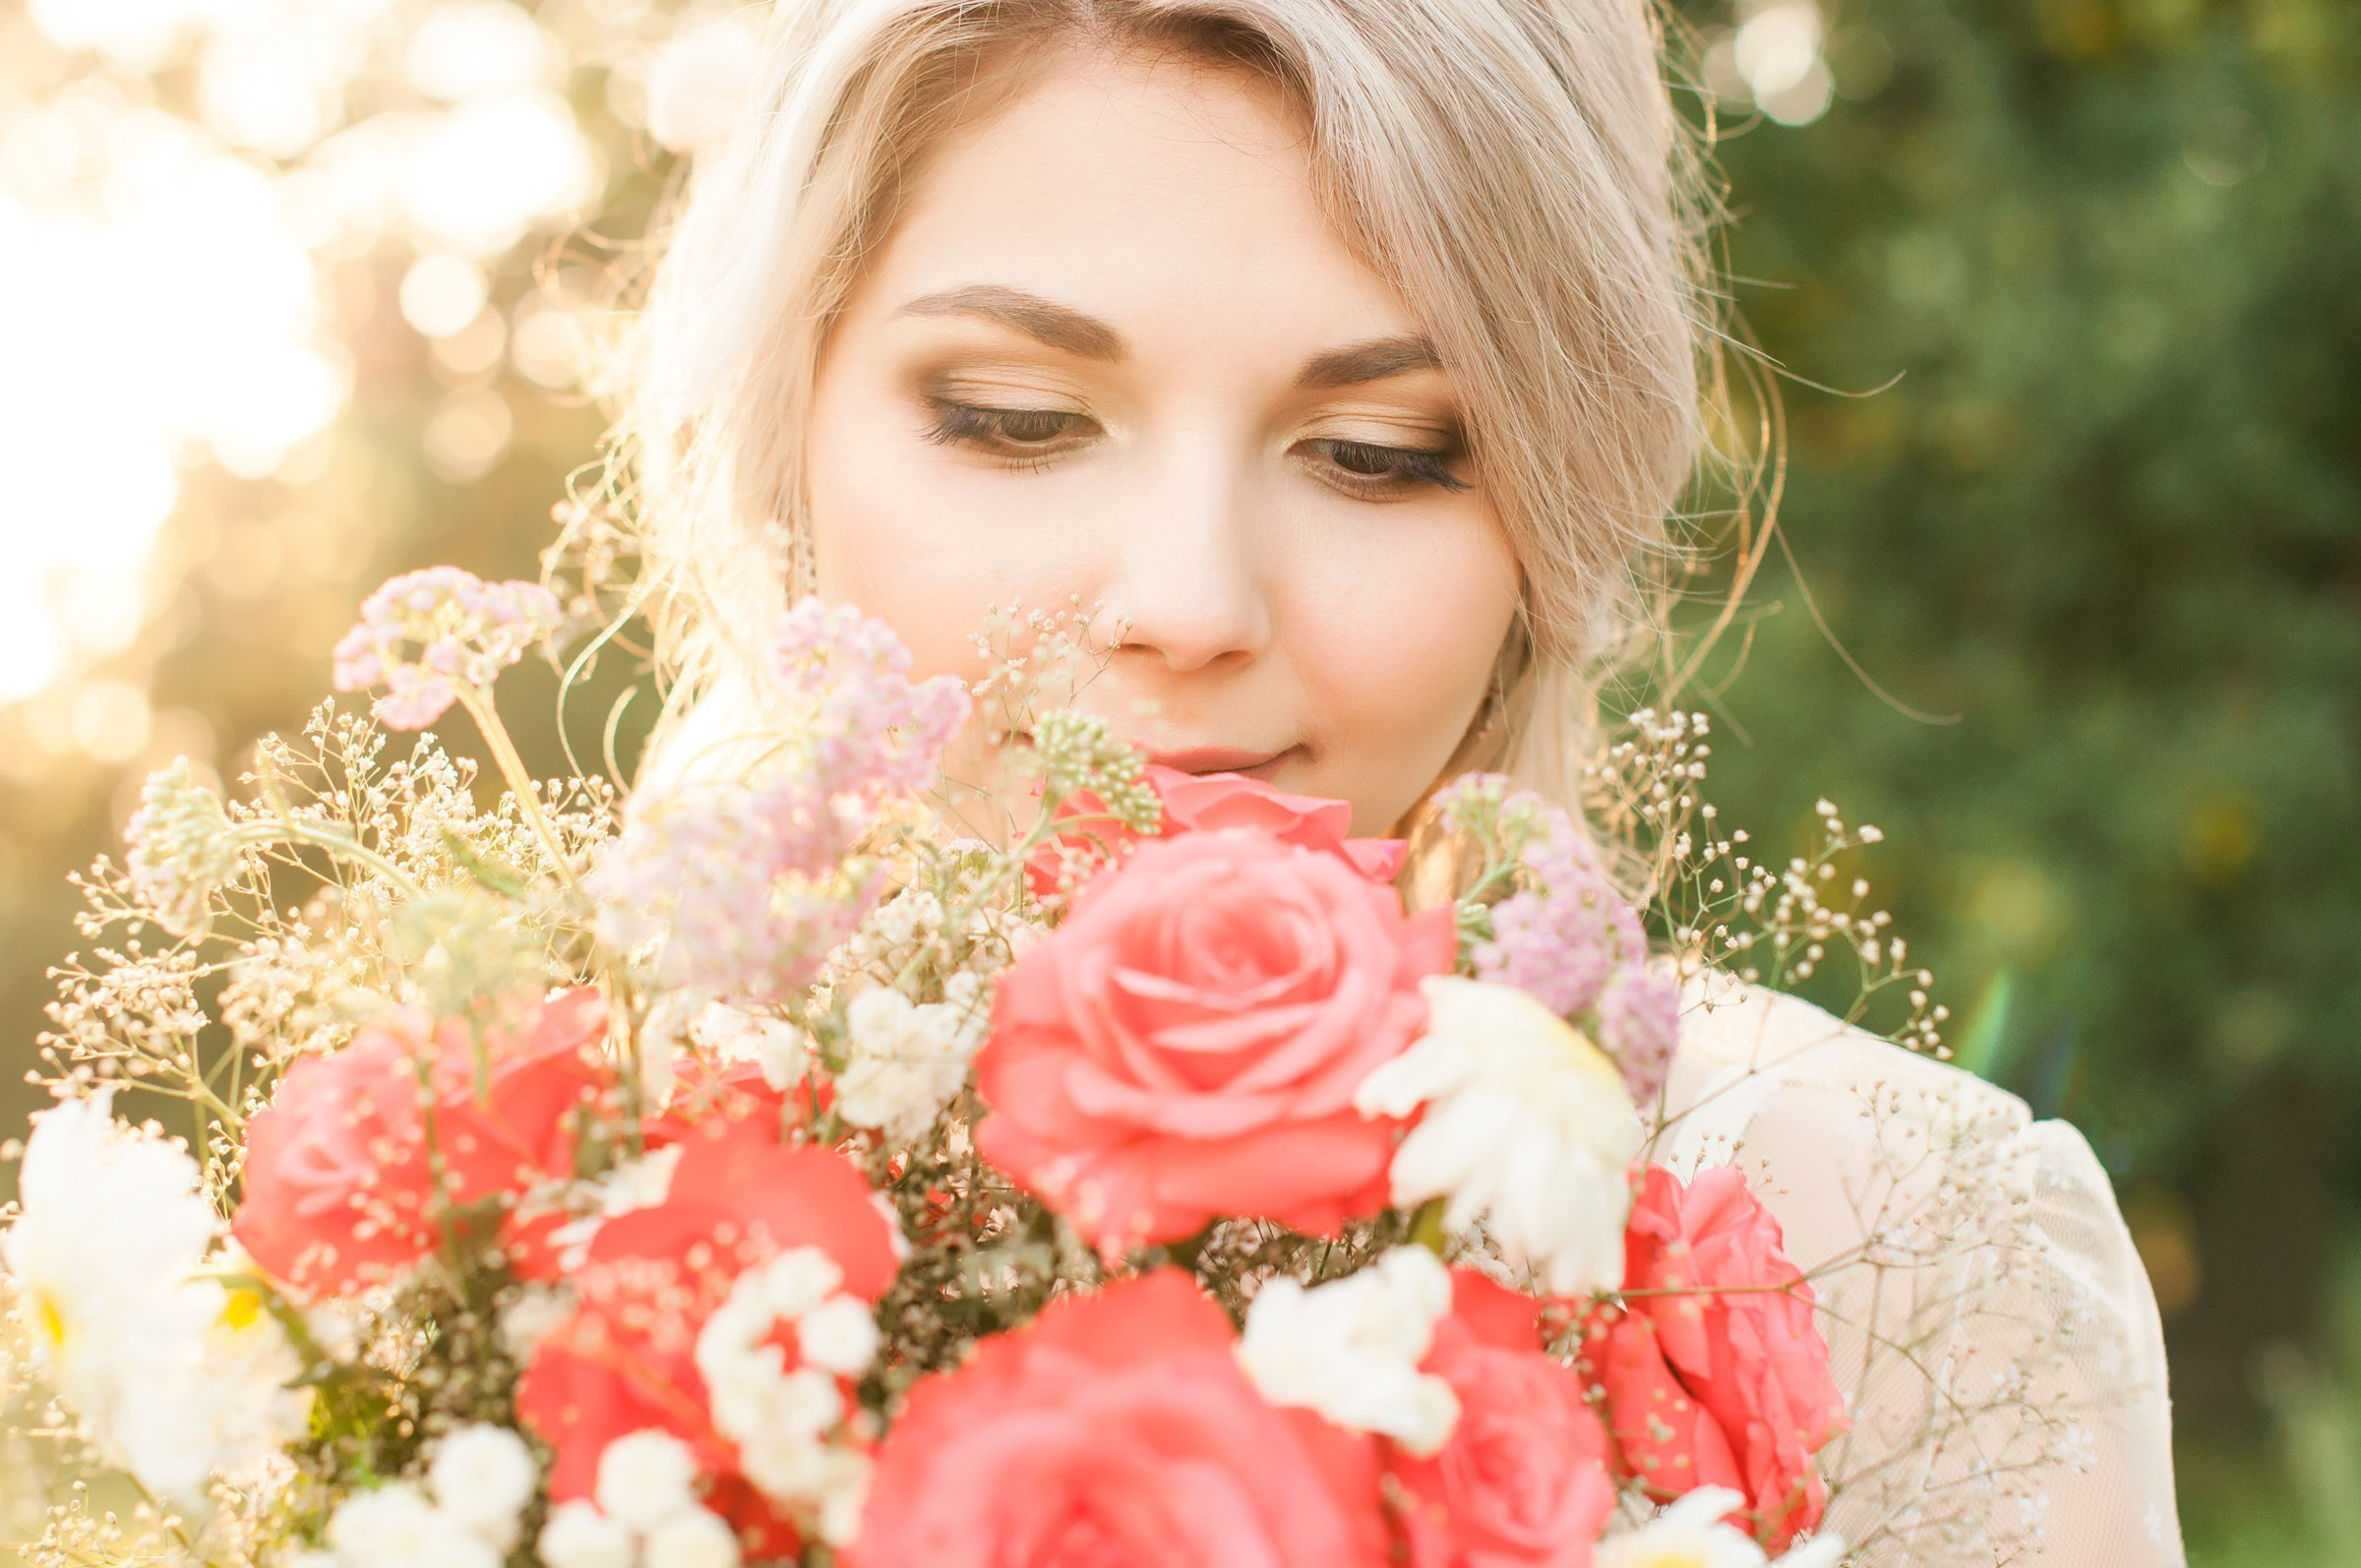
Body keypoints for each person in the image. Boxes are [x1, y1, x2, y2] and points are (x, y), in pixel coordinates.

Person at [595, 0, 2184, 1559]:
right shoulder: (531, 1207)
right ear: (781, 426)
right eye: (1017, 422)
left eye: (1377, 447)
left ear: (1548, 510)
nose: (1194, 604)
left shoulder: (1893, 1240)